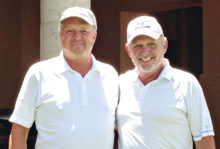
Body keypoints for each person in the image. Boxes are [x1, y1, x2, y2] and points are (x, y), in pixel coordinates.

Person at [9, 7, 119, 149]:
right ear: (60, 35)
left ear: (94, 36)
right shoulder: (39, 73)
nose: (77, 36)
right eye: (69, 30)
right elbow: (19, 129)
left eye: (84, 30)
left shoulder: (110, 75)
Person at [116, 16, 215, 149]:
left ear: (164, 45)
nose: (145, 52)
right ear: (128, 50)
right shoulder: (120, 84)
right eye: (138, 45)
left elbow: (204, 140)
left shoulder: (187, 84)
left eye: (152, 44)